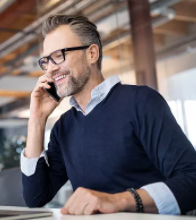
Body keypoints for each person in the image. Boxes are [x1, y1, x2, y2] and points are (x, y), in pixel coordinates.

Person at [21, 14, 196, 215]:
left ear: (92, 53)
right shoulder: (63, 127)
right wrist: (37, 120)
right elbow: (35, 198)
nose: (51, 69)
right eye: (46, 60)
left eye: (59, 55)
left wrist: (119, 201)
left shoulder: (141, 102)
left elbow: (192, 180)